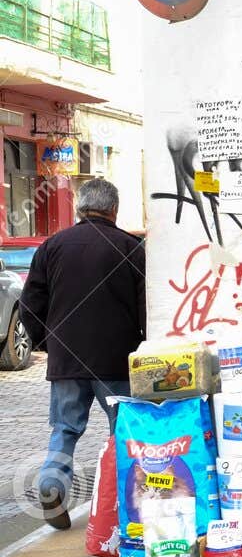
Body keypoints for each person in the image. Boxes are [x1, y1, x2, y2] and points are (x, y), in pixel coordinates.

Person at [19, 177, 144, 529]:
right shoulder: (130, 247)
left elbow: (30, 303)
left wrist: (47, 342)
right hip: (116, 360)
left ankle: (51, 484)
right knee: (123, 432)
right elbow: (145, 307)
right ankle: (124, 501)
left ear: (79, 208)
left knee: (65, 428)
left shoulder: (52, 246)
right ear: (114, 210)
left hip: (66, 360)